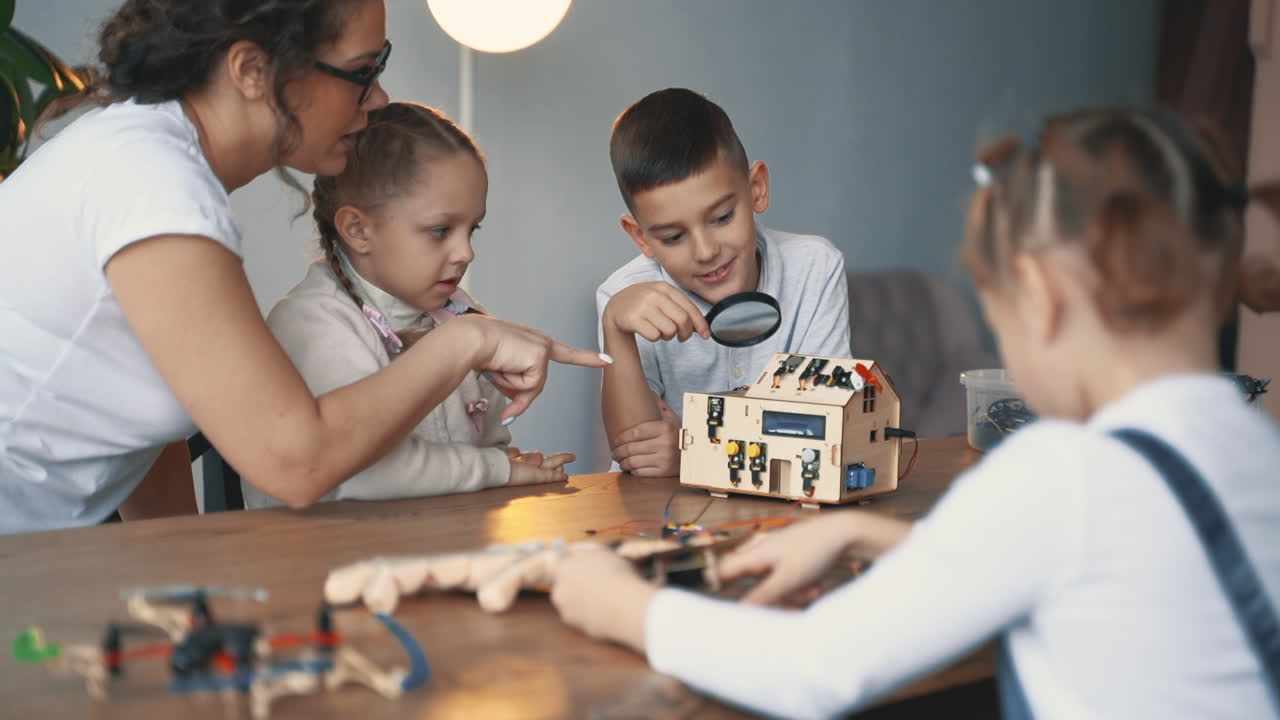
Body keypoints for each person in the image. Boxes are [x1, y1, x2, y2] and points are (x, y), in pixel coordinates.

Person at [554, 108, 1280, 719]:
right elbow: (1092, 567)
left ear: (1038, 296)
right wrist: (865, 530)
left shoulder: (1063, 470)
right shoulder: (1257, 443)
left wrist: (617, 604)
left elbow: (815, 667)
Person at [0, 0, 606, 535]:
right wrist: (468, 340)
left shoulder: (146, 158)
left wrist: (185, 575)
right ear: (251, 70)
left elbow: (135, 416)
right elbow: (296, 461)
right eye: (362, 73)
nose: (379, 99)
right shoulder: (152, 187)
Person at [242, 102, 575, 508]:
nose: (465, 252)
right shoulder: (311, 324)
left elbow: (489, 444)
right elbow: (353, 473)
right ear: (357, 229)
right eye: (440, 231)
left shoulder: (457, 316)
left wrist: (503, 464)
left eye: (473, 229)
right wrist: (496, 470)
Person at [597, 88, 851, 478]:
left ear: (757, 189)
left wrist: (694, 447)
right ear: (640, 236)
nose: (705, 251)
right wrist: (615, 329)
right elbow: (637, 452)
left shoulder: (815, 268)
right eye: (672, 237)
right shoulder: (623, 298)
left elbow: (826, 428)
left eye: (721, 218)